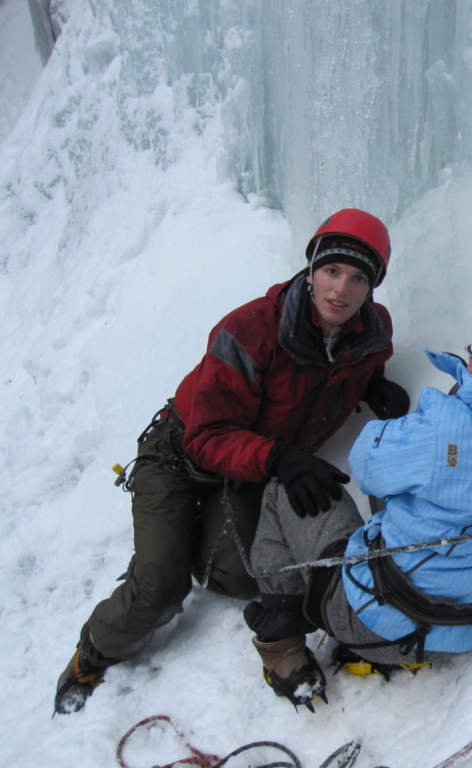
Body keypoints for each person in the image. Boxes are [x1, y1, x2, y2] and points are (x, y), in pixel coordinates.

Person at [55, 208, 411, 714]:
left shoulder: (372, 332)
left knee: (245, 578)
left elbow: (344, 366)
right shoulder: (250, 330)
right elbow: (204, 437)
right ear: (311, 270)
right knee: (160, 586)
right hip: (181, 456)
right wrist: (281, 457)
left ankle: (187, 542)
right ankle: (92, 653)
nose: (341, 290)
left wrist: (371, 384)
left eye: (358, 278)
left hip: (252, 467)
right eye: (331, 271)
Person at [241, 261, 472, 711]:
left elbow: (368, 462)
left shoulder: (450, 435)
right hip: (468, 626)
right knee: (430, 494)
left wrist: (433, 420)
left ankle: (281, 648)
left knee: (289, 486)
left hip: (375, 622)